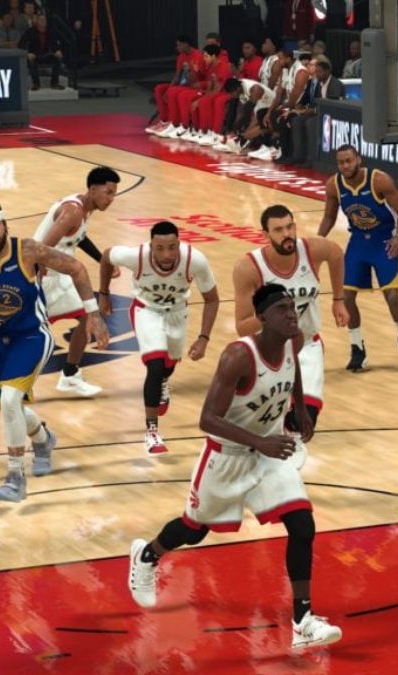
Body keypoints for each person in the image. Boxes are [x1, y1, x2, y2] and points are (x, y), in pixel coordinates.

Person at [127, 284, 342, 649]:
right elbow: (208, 419)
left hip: (269, 453)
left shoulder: (294, 340)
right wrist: (260, 441)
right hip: (226, 456)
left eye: (293, 307)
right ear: (262, 318)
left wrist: (300, 407)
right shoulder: (238, 356)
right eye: (282, 309)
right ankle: (147, 555)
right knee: (194, 529)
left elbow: (293, 370)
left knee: (302, 525)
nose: (292, 314)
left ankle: (302, 621)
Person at [0, 201, 110, 501]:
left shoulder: (27, 250)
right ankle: (44, 440)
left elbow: (76, 268)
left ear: (4, 225)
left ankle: (15, 477)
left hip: (33, 336)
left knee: (10, 400)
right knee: (11, 407)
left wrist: (92, 313)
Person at [0, 168, 121, 393]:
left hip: (57, 277)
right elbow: (44, 248)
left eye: (113, 193)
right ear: (92, 189)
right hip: (44, 278)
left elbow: (77, 236)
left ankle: (71, 374)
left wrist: (100, 259)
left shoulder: (81, 208)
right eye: (108, 192)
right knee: (13, 330)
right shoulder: (73, 211)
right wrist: (33, 279)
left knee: (84, 316)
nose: (111, 198)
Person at [99, 221, 219, 455]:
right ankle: (152, 432)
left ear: (179, 244)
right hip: (147, 311)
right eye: (160, 248)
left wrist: (204, 337)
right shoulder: (136, 256)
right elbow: (106, 257)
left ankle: (164, 380)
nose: (166, 255)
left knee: (167, 366)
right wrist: (104, 292)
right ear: (150, 246)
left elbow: (212, 299)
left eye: (172, 247)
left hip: (177, 313)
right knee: (155, 365)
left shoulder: (195, 260)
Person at [231, 205, 349, 433]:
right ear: (265, 235)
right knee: (260, 424)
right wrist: (269, 315)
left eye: (290, 227)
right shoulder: (248, 267)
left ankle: (290, 446)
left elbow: (336, 254)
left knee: (304, 421)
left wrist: (338, 299)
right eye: (278, 230)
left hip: (307, 344)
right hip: (268, 351)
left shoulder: (312, 249)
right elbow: (242, 327)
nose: (287, 234)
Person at [317, 145, 398, 371]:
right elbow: (329, 217)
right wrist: (316, 241)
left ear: (359, 159)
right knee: (346, 296)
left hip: (383, 242)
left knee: (392, 296)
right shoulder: (334, 185)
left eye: (349, 160)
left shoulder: (379, 180)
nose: (345, 165)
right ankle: (357, 349)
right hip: (358, 243)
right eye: (341, 162)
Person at [17, 14, 65, 90]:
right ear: (37, 21)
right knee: (31, 60)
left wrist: (58, 51)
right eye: (41, 20)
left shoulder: (51, 31)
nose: (43, 21)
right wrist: (27, 54)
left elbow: (55, 44)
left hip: (47, 54)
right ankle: (36, 83)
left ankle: (54, 83)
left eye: (44, 20)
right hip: (34, 55)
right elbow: (21, 44)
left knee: (58, 58)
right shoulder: (30, 31)